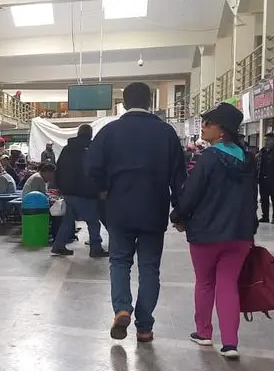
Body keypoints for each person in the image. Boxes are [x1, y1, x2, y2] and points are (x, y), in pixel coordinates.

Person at [88, 83, 186, 343]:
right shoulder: (166, 132)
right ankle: (144, 327)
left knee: (119, 261)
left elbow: (92, 167)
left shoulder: (109, 132)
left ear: (124, 102)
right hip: (154, 207)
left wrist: (103, 190)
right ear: (150, 100)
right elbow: (179, 176)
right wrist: (180, 210)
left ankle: (122, 308)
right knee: (150, 267)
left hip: (119, 208)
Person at [169, 103, 257, 360]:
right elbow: (253, 197)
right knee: (228, 285)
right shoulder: (248, 159)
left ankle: (203, 332)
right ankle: (230, 343)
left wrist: (178, 216)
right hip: (240, 234)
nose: (204, 127)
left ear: (222, 132)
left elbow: (191, 194)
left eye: (208, 123)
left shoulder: (207, 158)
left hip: (206, 233)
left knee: (205, 283)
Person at [51, 124, 106, 258]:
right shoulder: (92, 149)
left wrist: (59, 187)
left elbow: (58, 169)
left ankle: (58, 246)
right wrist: (102, 188)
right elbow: (97, 170)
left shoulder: (66, 149)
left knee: (68, 221)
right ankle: (96, 248)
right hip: (85, 192)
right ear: (90, 134)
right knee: (93, 221)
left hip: (68, 192)